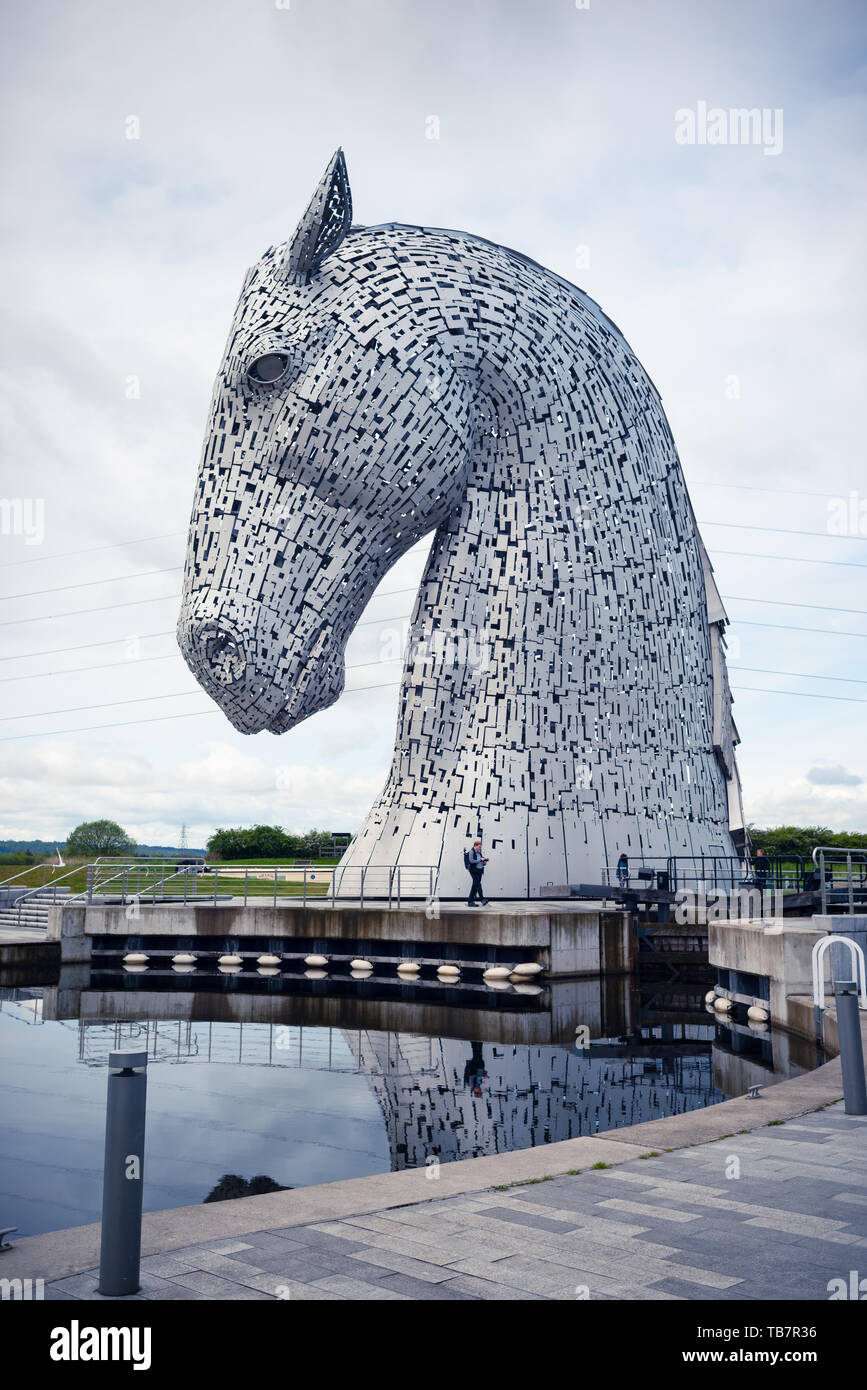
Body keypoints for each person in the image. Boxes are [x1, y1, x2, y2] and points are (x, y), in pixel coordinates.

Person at [465, 839, 489, 906]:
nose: (480, 848)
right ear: (475, 846)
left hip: (479, 871)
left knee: (475, 886)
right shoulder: (471, 852)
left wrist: (484, 862)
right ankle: (482, 899)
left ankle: (470, 902)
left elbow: (480, 862)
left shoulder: (479, 853)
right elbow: (471, 861)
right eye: (479, 847)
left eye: (480, 847)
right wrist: (480, 860)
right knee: (478, 884)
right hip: (473, 871)